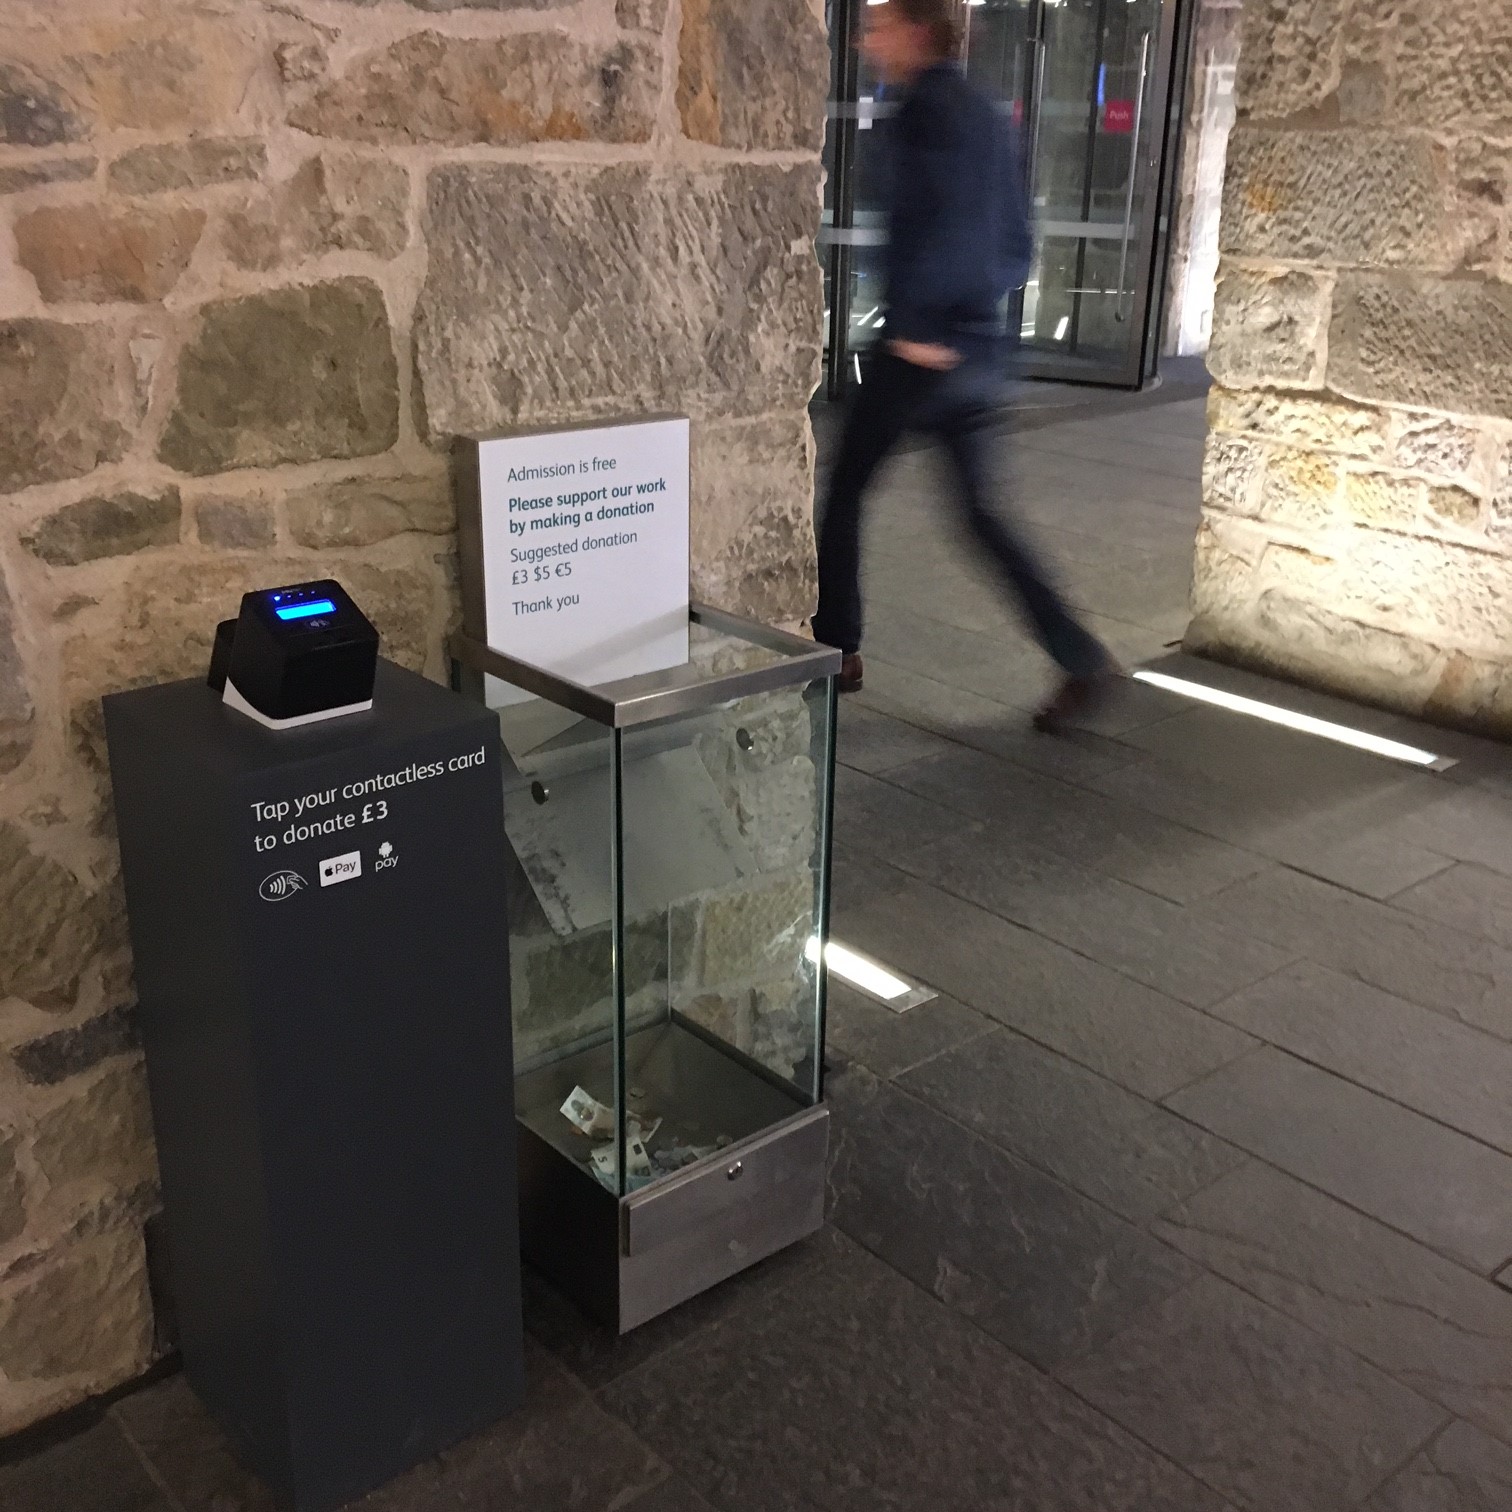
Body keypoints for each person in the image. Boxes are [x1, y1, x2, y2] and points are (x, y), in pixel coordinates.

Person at [811, 0, 1116, 732]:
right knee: (980, 516)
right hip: (974, 350)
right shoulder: (984, 111)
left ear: (917, 32)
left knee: (846, 491)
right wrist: (974, 323)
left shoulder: (926, 109)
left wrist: (921, 327)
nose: (867, 36)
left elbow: (947, 221)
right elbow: (1016, 238)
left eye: (880, 23)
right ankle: (1081, 660)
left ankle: (836, 649)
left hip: (922, 352)